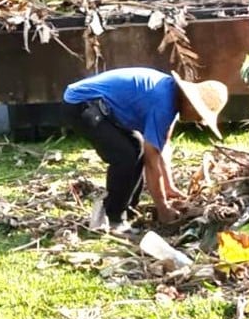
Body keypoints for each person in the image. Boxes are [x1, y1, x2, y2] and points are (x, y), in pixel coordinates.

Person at [63, 67, 228, 228]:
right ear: (191, 104)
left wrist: (169, 187)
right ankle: (114, 218)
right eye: (199, 115)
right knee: (125, 156)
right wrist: (163, 208)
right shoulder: (163, 103)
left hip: (101, 107)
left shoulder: (171, 96)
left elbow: (161, 147)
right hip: (81, 103)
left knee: (137, 147)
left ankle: (128, 210)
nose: (197, 120)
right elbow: (152, 160)